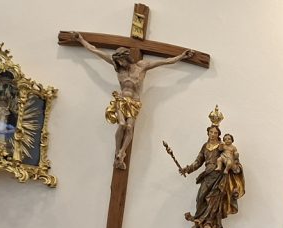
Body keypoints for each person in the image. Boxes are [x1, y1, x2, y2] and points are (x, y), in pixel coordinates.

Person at [71, 32, 195, 170]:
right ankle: (117, 154)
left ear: (127, 57)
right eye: (118, 62)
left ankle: (121, 152)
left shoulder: (142, 66)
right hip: (121, 99)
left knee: (130, 127)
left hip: (134, 103)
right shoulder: (118, 67)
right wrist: (81, 40)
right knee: (122, 124)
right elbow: (95, 50)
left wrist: (182, 56)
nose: (121, 64)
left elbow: (165, 61)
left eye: (122, 61)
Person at [179, 124, 243, 228]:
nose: (213, 134)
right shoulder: (205, 146)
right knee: (200, 197)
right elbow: (198, 161)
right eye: (211, 132)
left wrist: (233, 165)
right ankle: (199, 221)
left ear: (219, 135)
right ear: (208, 133)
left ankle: (209, 223)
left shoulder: (221, 146)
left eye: (216, 133)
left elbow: (230, 156)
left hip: (219, 176)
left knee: (213, 200)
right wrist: (187, 169)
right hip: (208, 175)